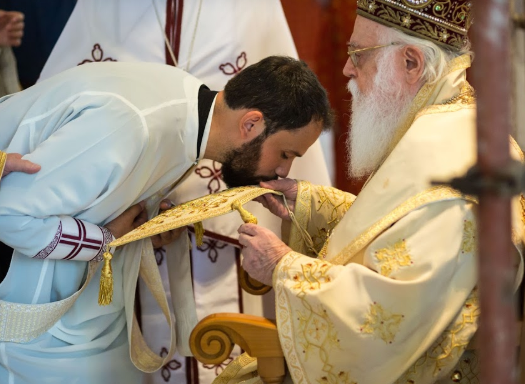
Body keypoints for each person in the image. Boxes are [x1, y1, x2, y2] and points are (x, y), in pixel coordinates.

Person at [225, 2, 525, 384]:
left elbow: (389, 319)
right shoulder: (447, 127)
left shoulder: (453, 170)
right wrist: (315, 206)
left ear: (411, 64)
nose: (347, 69)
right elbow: (406, 237)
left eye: (359, 54)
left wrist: (282, 267)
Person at [0, 55, 333, 384]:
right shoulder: (131, 126)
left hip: (77, 317)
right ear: (251, 124)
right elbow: (8, 212)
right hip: (30, 325)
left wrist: (146, 226)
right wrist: (104, 239)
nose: (284, 170)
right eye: (285, 153)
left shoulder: (187, 106)